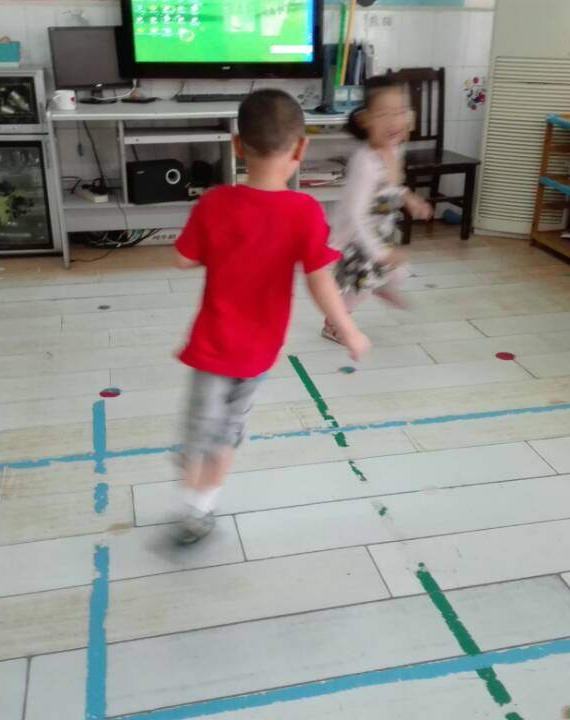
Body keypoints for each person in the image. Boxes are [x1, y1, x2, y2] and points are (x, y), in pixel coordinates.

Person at [172, 89, 371, 544]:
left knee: (202, 431)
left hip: (213, 345)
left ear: (236, 146)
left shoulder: (214, 203)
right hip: (259, 353)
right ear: (301, 149)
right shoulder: (305, 212)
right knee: (228, 433)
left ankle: (191, 485)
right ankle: (202, 507)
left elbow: (182, 259)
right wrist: (348, 329)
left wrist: (215, 248)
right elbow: (321, 282)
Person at [323, 75, 433, 342]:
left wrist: (408, 197)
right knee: (359, 288)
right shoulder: (366, 162)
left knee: (399, 270)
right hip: (358, 238)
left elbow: (390, 187)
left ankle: (382, 286)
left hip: (380, 230)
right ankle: (333, 324)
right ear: (365, 120)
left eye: (400, 112)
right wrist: (378, 252)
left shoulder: (395, 149)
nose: (393, 121)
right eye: (383, 114)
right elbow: (356, 215)